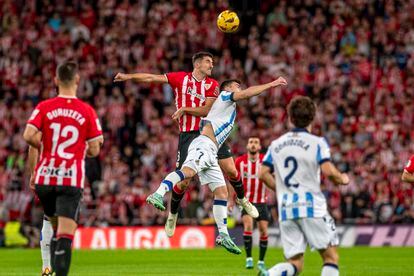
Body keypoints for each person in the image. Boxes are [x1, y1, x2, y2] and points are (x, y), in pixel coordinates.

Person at [114, 52, 258, 237]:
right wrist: (128, 76)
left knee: (231, 170)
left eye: (212, 62)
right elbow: (151, 78)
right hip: (188, 135)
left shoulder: (213, 85)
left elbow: (206, 109)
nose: (211, 65)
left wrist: (184, 109)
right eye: (208, 62)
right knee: (183, 183)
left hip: (210, 133)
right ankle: (173, 214)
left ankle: (242, 199)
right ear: (197, 64)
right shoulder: (180, 78)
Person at [146, 77, 287, 254]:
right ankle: (158, 194)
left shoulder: (228, 108)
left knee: (222, 192)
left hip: (212, 150)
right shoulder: (226, 96)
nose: (239, 88)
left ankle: (223, 235)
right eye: (237, 85)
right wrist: (271, 84)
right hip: (203, 144)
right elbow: (247, 93)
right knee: (187, 173)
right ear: (227, 88)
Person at [23, 61, 104, 276]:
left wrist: (48, 145)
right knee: (65, 235)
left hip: (45, 178)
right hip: (70, 179)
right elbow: (95, 149)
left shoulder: (44, 107)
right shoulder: (86, 111)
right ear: (77, 80)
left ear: (56, 81)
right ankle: (55, 269)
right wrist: (80, 147)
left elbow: (28, 136)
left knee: (50, 223)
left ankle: (45, 267)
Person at [258, 96, 349, 276]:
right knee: (330, 257)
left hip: (286, 209)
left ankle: (272, 274)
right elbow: (328, 171)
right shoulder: (317, 143)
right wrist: (342, 179)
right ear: (313, 118)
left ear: (290, 118)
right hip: (311, 207)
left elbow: (262, 174)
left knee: (295, 263)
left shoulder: (276, 144)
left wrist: (281, 189)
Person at [234, 137, 269, 270]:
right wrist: (232, 199)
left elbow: (272, 176)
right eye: (251, 142)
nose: (253, 145)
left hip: (262, 202)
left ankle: (261, 261)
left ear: (259, 147)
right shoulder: (240, 162)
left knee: (263, 231)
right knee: (248, 227)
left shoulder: (265, 161)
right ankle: (249, 259)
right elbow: (233, 179)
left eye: (256, 143)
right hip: (246, 202)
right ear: (247, 146)